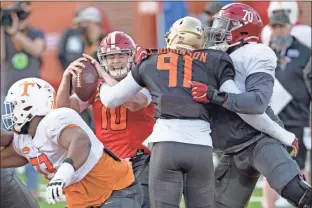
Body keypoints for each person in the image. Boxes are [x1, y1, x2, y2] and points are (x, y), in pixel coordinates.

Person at [189, 3, 312, 208]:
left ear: (242, 29)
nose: (217, 29)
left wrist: (214, 95)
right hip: (231, 149)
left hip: (259, 140)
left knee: (299, 194)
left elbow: (257, 102)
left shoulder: (254, 52)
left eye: (224, 25)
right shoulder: (211, 56)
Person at [0, 77, 142, 208]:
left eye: (14, 106)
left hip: (115, 189)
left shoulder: (54, 120)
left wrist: (61, 176)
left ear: (29, 107)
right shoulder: (24, 139)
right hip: (81, 201)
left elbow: (80, 141)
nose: (9, 113)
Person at [56, 31, 154, 208]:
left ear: (131, 56)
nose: (116, 61)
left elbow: (134, 103)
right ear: (103, 59)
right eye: (111, 57)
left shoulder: (144, 80)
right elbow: (63, 112)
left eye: (121, 56)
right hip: (109, 165)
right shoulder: (96, 86)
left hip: (141, 162)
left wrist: (103, 76)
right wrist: (66, 79)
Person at [261, 10, 312, 208]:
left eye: (282, 25)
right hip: (270, 118)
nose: (279, 30)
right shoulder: (264, 52)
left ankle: (306, 203)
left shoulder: (306, 52)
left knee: (298, 165)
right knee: (269, 164)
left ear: (291, 26)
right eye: (275, 26)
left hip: (296, 117)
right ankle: (268, 205)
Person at [0, 1, 44, 200]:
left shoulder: (36, 33)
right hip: (9, 94)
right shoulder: (6, 34)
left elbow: (36, 50)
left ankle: (32, 189)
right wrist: (3, 31)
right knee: (6, 139)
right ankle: (7, 187)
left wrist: (15, 31)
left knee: (32, 141)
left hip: (33, 96)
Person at [57, 6, 106, 130]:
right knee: (78, 124)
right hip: (76, 88)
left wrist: (96, 42)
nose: (83, 27)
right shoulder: (75, 36)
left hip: (98, 91)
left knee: (97, 125)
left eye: (87, 23)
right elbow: (69, 59)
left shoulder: (105, 40)